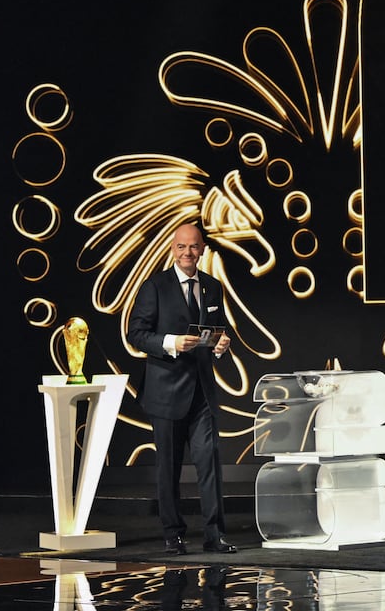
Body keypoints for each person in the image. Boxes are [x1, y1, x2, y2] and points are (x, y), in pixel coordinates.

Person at [127, 223, 237, 555]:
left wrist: (222, 342)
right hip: (166, 392)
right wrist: (172, 342)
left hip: (202, 391)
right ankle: (173, 534)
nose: (187, 253)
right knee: (169, 468)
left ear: (202, 249)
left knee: (210, 464)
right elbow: (136, 333)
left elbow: (219, 329)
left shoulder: (213, 287)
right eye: (181, 247)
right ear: (172, 249)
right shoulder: (155, 286)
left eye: (193, 247)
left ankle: (214, 534)